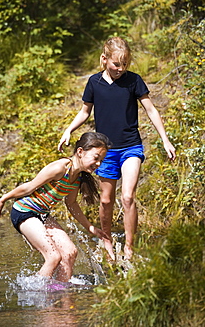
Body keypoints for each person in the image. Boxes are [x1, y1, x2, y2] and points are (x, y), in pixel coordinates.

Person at [58, 37, 176, 261]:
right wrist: (68, 130)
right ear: (104, 60)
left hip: (131, 146)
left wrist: (165, 139)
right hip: (105, 151)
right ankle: (107, 242)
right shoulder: (94, 83)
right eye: (116, 64)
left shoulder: (134, 81)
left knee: (128, 196)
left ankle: (129, 248)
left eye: (125, 64)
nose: (121, 69)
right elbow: (84, 112)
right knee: (105, 200)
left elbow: (151, 110)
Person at [0, 132, 111, 282]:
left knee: (70, 253)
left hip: (42, 215)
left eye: (101, 160)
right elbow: (29, 187)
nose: (98, 164)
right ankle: (39, 297)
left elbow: (71, 204)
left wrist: (90, 227)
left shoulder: (77, 177)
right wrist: (2, 199)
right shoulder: (60, 168)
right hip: (25, 211)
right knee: (53, 257)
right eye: (96, 158)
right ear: (80, 152)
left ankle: (60, 294)